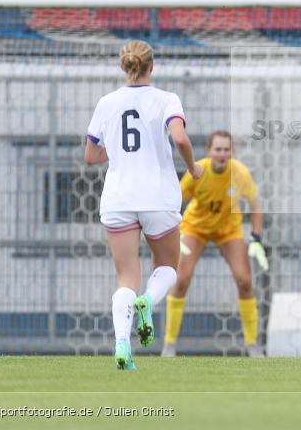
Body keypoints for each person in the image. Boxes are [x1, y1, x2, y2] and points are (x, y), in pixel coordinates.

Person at [85, 40, 203, 371]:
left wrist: (120, 152)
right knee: (167, 266)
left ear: (125, 66)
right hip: (158, 197)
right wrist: (193, 167)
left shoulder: (107, 103)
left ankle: (123, 344)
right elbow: (179, 138)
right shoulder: (166, 99)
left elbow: (91, 155)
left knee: (126, 276)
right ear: (152, 66)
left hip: (119, 198)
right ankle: (148, 301)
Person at [161, 130, 267, 358]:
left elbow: (255, 205)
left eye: (227, 150)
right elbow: (173, 200)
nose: (222, 154)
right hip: (195, 228)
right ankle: (169, 344)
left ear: (233, 152)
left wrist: (256, 238)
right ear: (209, 152)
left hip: (228, 230)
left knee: (245, 280)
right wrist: (172, 232)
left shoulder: (240, 173)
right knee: (181, 279)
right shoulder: (198, 171)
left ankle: (252, 344)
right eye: (218, 149)